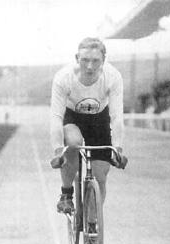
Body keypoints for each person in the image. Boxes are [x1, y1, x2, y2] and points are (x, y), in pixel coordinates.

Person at [50, 37, 127, 214]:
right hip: (72, 117)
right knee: (74, 143)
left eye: (95, 61)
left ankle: (93, 220)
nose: (90, 66)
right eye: (85, 60)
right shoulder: (63, 77)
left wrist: (118, 149)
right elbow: (56, 116)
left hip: (99, 118)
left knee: (100, 176)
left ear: (104, 60)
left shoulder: (113, 76)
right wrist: (57, 151)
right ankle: (67, 194)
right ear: (77, 58)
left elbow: (116, 116)